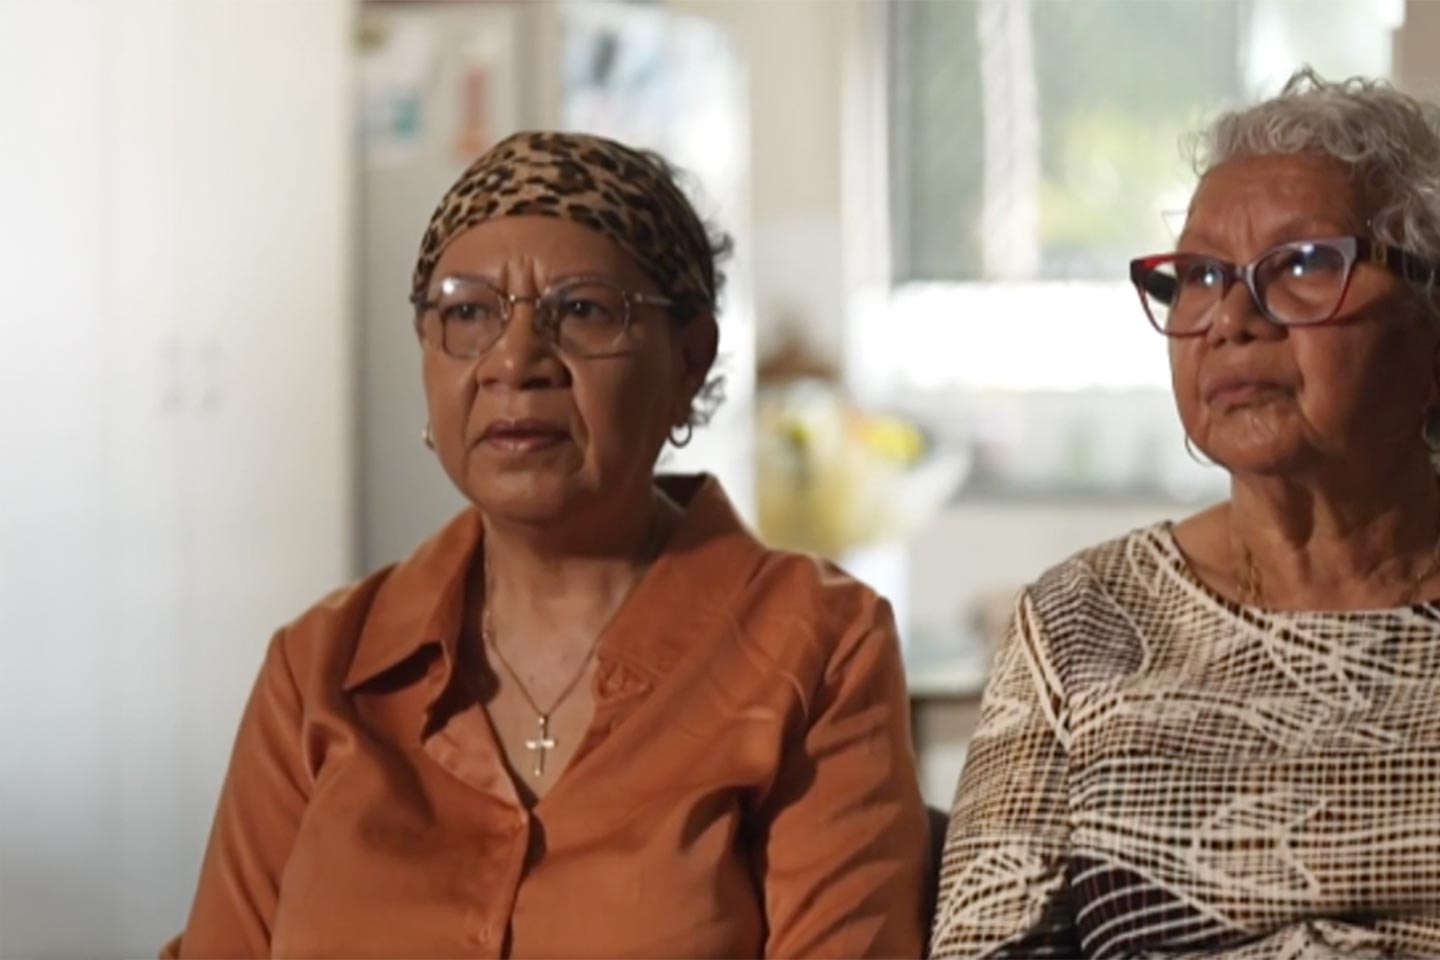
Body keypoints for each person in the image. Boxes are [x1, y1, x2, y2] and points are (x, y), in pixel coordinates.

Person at [166, 131, 929, 958]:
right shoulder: (319, 669)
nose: (516, 360)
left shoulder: (817, 648)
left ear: (689, 361)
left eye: (584, 310)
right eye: (468, 313)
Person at [931, 70, 1440, 959]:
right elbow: (986, 941)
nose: (1232, 319)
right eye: (1201, 275)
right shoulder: (1081, 621)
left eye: (1305, 264)